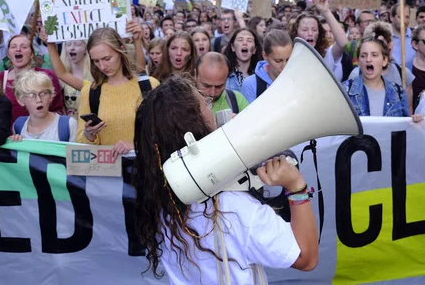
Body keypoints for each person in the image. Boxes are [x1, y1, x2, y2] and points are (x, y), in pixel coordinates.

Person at [133, 75, 318, 284]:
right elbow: (306, 258)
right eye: (207, 107)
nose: (213, 112)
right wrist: (296, 187)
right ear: (197, 126)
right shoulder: (233, 209)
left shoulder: (161, 196)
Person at [77, 28, 160, 159]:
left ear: (121, 50)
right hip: (106, 173)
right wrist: (89, 134)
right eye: (96, 61)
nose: (102, 66)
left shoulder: (149, 86)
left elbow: (164, 133)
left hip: (145, 171)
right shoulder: (89, 92)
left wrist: (136, 145)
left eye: (107, 58)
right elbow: (81, 144)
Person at [343, 28, 410, 117]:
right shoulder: (345, 90)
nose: (368, 59)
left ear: (384, 60)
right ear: (359, 61)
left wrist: (415, 121)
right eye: (363, 55)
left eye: (374, 55)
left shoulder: (398, 92)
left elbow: (405, 124)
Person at [0, 34, 64, 123]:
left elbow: (57, 109)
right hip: (12, 135)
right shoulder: (1, 78)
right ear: (8, 54)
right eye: (13, 47)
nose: (18, 49)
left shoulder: (47, 76)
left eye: (24, 47)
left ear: (32, 54)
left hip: (41, 133)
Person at [289, 0, 348, 81]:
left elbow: (343, 43)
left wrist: (326, 11)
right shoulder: (288, 57)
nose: (310, 34)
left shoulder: (326, 57)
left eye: (314, 30)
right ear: (296, 33)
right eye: (305, 30)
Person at [9, 70, 77, 142]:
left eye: (43, 93)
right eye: (32, 95)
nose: (39, 99)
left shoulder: (68, 125)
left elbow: (79, 152)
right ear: (21, 100)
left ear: (51, 96)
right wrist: (15, 144)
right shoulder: (18, 125)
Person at [241, 29, 292, 103]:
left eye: (288, 60)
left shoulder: (298, 81)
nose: (285, 66)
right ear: (264, 56)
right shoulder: (251, 84)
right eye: (278, 61)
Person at [224, 28, 262, 92]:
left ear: (254, 50)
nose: (245, 43)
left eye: (249, 41)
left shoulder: (261, 76)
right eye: (240, 40)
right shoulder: (224, 75)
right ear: (233, 47)